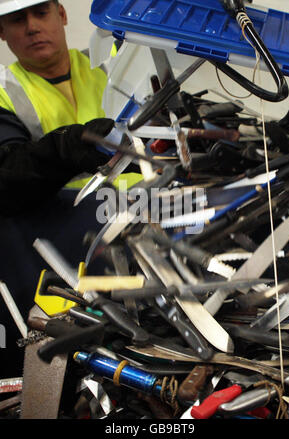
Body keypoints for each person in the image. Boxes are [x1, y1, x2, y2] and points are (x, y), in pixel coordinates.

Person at [0, 0, 137, 380]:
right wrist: (65, 148)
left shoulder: (116, 64)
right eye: (16, 19)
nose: (31, 26)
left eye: (40, 13)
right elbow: (7, 177)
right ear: (1, 31)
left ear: (61, 15)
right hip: (66, 258)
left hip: (149, 233)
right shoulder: (3, 91)